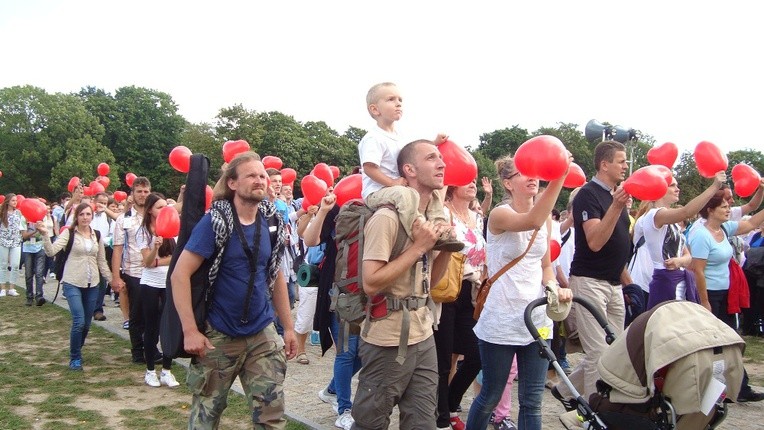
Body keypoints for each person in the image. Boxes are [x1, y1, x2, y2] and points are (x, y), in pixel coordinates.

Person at [170, 151, 297, 428]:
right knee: (206, 415)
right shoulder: (215, 222)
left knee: (272, 415)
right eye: (251, 175)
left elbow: (274, 276)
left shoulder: (272, 222)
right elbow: (180, 274)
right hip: (219, 333)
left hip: (261, 332)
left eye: (263, 175)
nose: (260, 180)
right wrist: (191, 330)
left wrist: (287, 327)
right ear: (232, 183)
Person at [351, 139, 454, 429]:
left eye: (441, 158)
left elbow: (430, 284)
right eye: (432, 158)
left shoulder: (428, 218)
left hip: (423, 332)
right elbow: (371, 283)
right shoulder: (387, 217)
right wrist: (419, 248)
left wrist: (444, 247)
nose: (442, 163)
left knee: (422, 421)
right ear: (408, 169)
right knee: (371, 421)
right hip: (387, 338)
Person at [466, 155, 572, 430]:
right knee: (490, 395)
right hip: (502, 319)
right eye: (525, 173)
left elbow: (546, 265)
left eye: (537, 172)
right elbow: (533, 220)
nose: (533, 177)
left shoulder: (547, 218)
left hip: (536, 319)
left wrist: (553, 288)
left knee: (532, 400)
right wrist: (560, 175)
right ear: (507, 183)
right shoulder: (501, 214)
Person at [554, 141, 632, 407]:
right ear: (604, 164)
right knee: (598, 352)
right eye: (621, 161)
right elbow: (596, 241)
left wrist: (626, 282)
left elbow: (618, 243)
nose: (626, 166)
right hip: (590, 282)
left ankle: (565, 391)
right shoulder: (588, 194)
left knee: (614, 353)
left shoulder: (615, 195)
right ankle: (591, 413)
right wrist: (617, 207)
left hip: (613, 285)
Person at [359, 82, 462, 252]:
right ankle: (418, 229)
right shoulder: (373, 138)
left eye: (400, 99)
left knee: (434, 192)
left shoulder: (399, 136)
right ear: (375, 109)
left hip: (398, 188)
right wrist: (392, 183)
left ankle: (440, 227)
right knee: (404, 194)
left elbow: (414, 153)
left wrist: (434, 143)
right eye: (391, 99)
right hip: (377, 191)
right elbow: (370, 168)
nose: (398, 103)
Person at [687, 190, 764, 402]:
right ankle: (727, 389)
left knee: (730, 341)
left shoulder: (724, 228)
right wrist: (704, 302)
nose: (729, 209)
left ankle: (737, 388)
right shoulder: (702, 235)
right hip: (709, 294)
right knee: (716, 344)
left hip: (725, 292)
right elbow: (698, 270)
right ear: (710, 210)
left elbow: (750, 223)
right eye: (723, 206)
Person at [434, 180, 487, 430]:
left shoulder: (477, 218)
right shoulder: (444, 212)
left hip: (470, 291)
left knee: (476, 356)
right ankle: (442, 417)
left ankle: (449, 404)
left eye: (475, 180)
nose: (473, 184)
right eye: (466, 180)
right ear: (453, 186)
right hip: (446, 289)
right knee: (443, 359)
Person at [38, 202, 112, 370]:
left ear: (92, 216)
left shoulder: (97, 235)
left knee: (86, 323)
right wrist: (44, 235)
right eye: (82, 214)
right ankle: (75, 357)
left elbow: (101, 261)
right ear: (76, 216)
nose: (85, 217)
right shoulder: (69, 233)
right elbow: (51, 251)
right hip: (72, 281)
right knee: (78, 321)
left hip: (93, 282)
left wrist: (112, 280)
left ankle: (77, 347)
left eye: (88, 214)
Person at [642, 172, 726, 309]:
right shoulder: (654, 215)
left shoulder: (672, 222)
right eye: (672, 185)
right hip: (666, 281)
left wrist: (679, 261)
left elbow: (688, 256)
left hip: (679, 279)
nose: (677, 188)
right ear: (659, 189)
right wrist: (714, 186)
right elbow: (687, 212)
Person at [136, 193, 180, 388]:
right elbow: (146, 262)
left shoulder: (173, 227)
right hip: (150, 285)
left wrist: (158, 261)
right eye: (160, 207)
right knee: (152, 328)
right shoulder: (143, 232)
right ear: (150, 210)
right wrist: (154, 248)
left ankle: (167, 371)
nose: (165, 210)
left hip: (168, 282)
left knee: (168, 327)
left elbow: (176, 256)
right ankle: (150, 370)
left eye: (166, 206)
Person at [111, 177, 152, 362]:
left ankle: (151, 347)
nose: (143, 195)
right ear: (132, 194)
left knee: (153, 312)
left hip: (154, 270)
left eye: (145, 191)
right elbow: (117, 249)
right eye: (139, 191)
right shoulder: (123, 219)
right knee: (136, 314)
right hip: (133, 271)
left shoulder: (155, 215)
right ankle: (137, 351)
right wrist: (116, 277)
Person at [21, 210, 52, 306]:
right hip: (28, 248)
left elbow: (45, 232)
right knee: (28, 274)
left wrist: (40, 227)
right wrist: (35, 230)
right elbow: (24, 236)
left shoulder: (42, 218)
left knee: (39, 273)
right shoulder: (23, 218)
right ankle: (29, 296)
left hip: (40, 247)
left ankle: (39, 296)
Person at [0, 193, 23, 297]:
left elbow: (21, 226)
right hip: (3, 240)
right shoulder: (2, 213)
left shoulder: (18, 213)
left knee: (15, 265)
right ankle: (3, 288)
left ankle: (12, 288)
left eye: (16, 200)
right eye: (13, 200)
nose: (15, 202)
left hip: (16, 241)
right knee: (3, 264)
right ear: (8, 201)